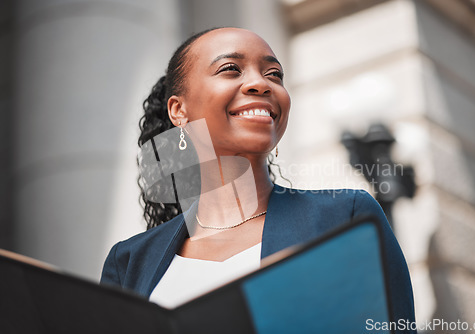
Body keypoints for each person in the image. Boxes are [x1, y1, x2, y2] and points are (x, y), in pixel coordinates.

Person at [101, 27, 415, 327]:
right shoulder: (129, 262)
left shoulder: (344, 218)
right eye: (230, 69)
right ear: (178, 110)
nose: (261, 84)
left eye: (274, 74)